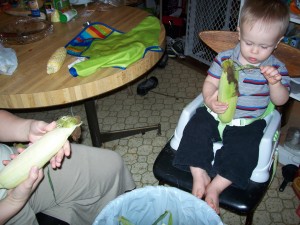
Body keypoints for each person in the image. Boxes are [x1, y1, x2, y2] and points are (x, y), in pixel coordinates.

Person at [173, 0, 291, 214]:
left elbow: (281, 101)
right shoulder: (225, 58)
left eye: (264, 46)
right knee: (194, 127)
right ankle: (199, 174)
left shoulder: (276, 68)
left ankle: (216, 188)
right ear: (239, 33)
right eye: (249, 42)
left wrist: (275, 84)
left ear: (277, 42)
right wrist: (209, 99)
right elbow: (209, 83)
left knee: (245, 151)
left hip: (248, 121)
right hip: (216, 113)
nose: (254, 51)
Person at [0, 110, 135, 225]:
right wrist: (13, 202)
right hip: (6, 210)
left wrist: (28, 128)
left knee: (111, 163)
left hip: (14, 163)